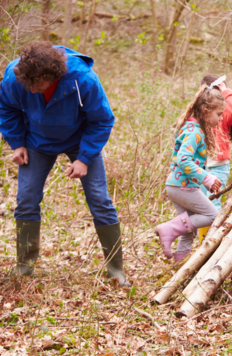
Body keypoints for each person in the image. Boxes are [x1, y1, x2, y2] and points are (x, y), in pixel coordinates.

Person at [0, 41, 130, 286]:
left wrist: (84, 158)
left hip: (80, 141)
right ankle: (24, 268)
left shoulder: (84, 80)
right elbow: (7, 108)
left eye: (35, 84)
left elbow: (102, 121)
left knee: (100, 201)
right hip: (35, 141)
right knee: (26, 200)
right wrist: (16, 142)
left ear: (49, 75)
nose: (31, 89)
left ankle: (116, 269)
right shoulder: (16, 75)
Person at [154, 83, 224, 262]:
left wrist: (206, 178)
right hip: (183, 187)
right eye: (219, 114)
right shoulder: (195, 132)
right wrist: (207, 178)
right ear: (206, 111)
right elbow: (183, 160)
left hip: (176, 186)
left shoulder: (192, 128)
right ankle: (169, 229)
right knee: (212, 215)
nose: (221, 118)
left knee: (188, 229)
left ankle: (179, 267)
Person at [198, 74, 232, 210]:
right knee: (200, 201)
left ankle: (213, 230)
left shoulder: (222, 115)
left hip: (218, 167)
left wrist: (225, 91)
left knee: (212, 202)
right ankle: (202, 231)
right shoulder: (201, 113)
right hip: (201, 167)